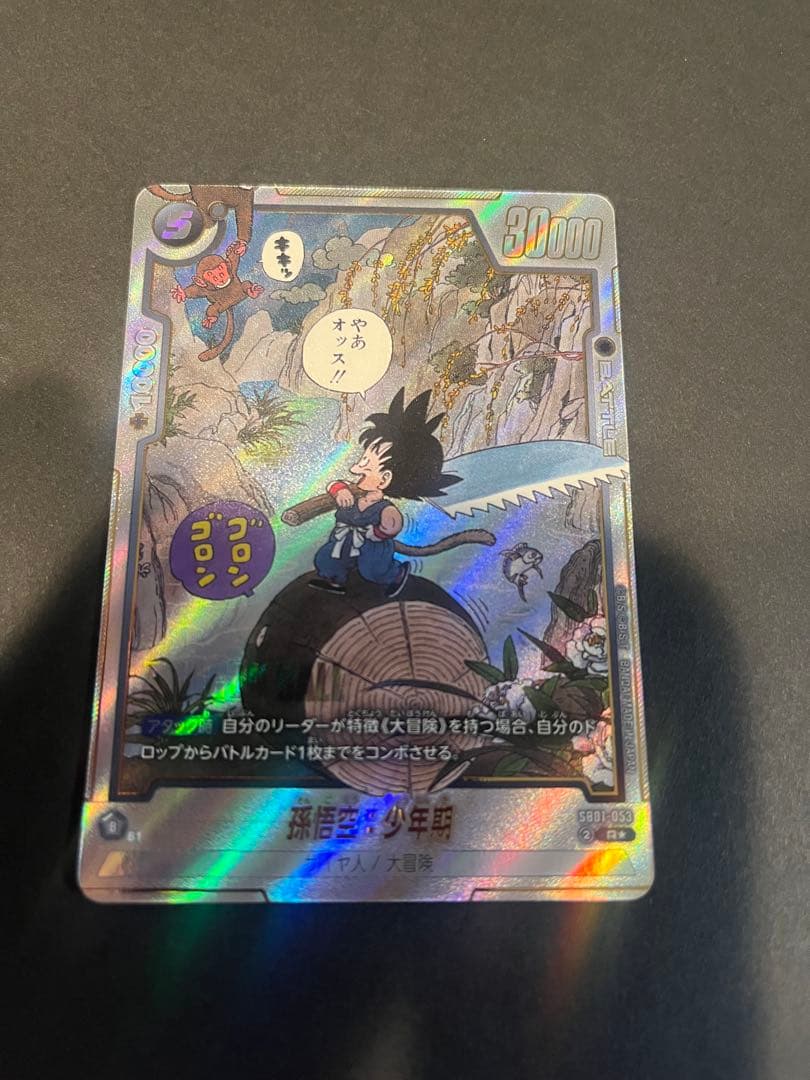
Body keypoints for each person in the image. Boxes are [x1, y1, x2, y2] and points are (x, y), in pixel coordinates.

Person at [311, 388, 461, 597]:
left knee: (373, 569)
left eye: (366, 462)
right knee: (327, 558)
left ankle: (396, 575)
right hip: (343, 539)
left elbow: (393, 524)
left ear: (385, 478)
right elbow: (334, 485)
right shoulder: (352, 492)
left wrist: (379, 533)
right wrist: (340, 491)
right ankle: (334, 579)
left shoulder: (385, 508)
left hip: (373, 546)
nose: (357, 467)